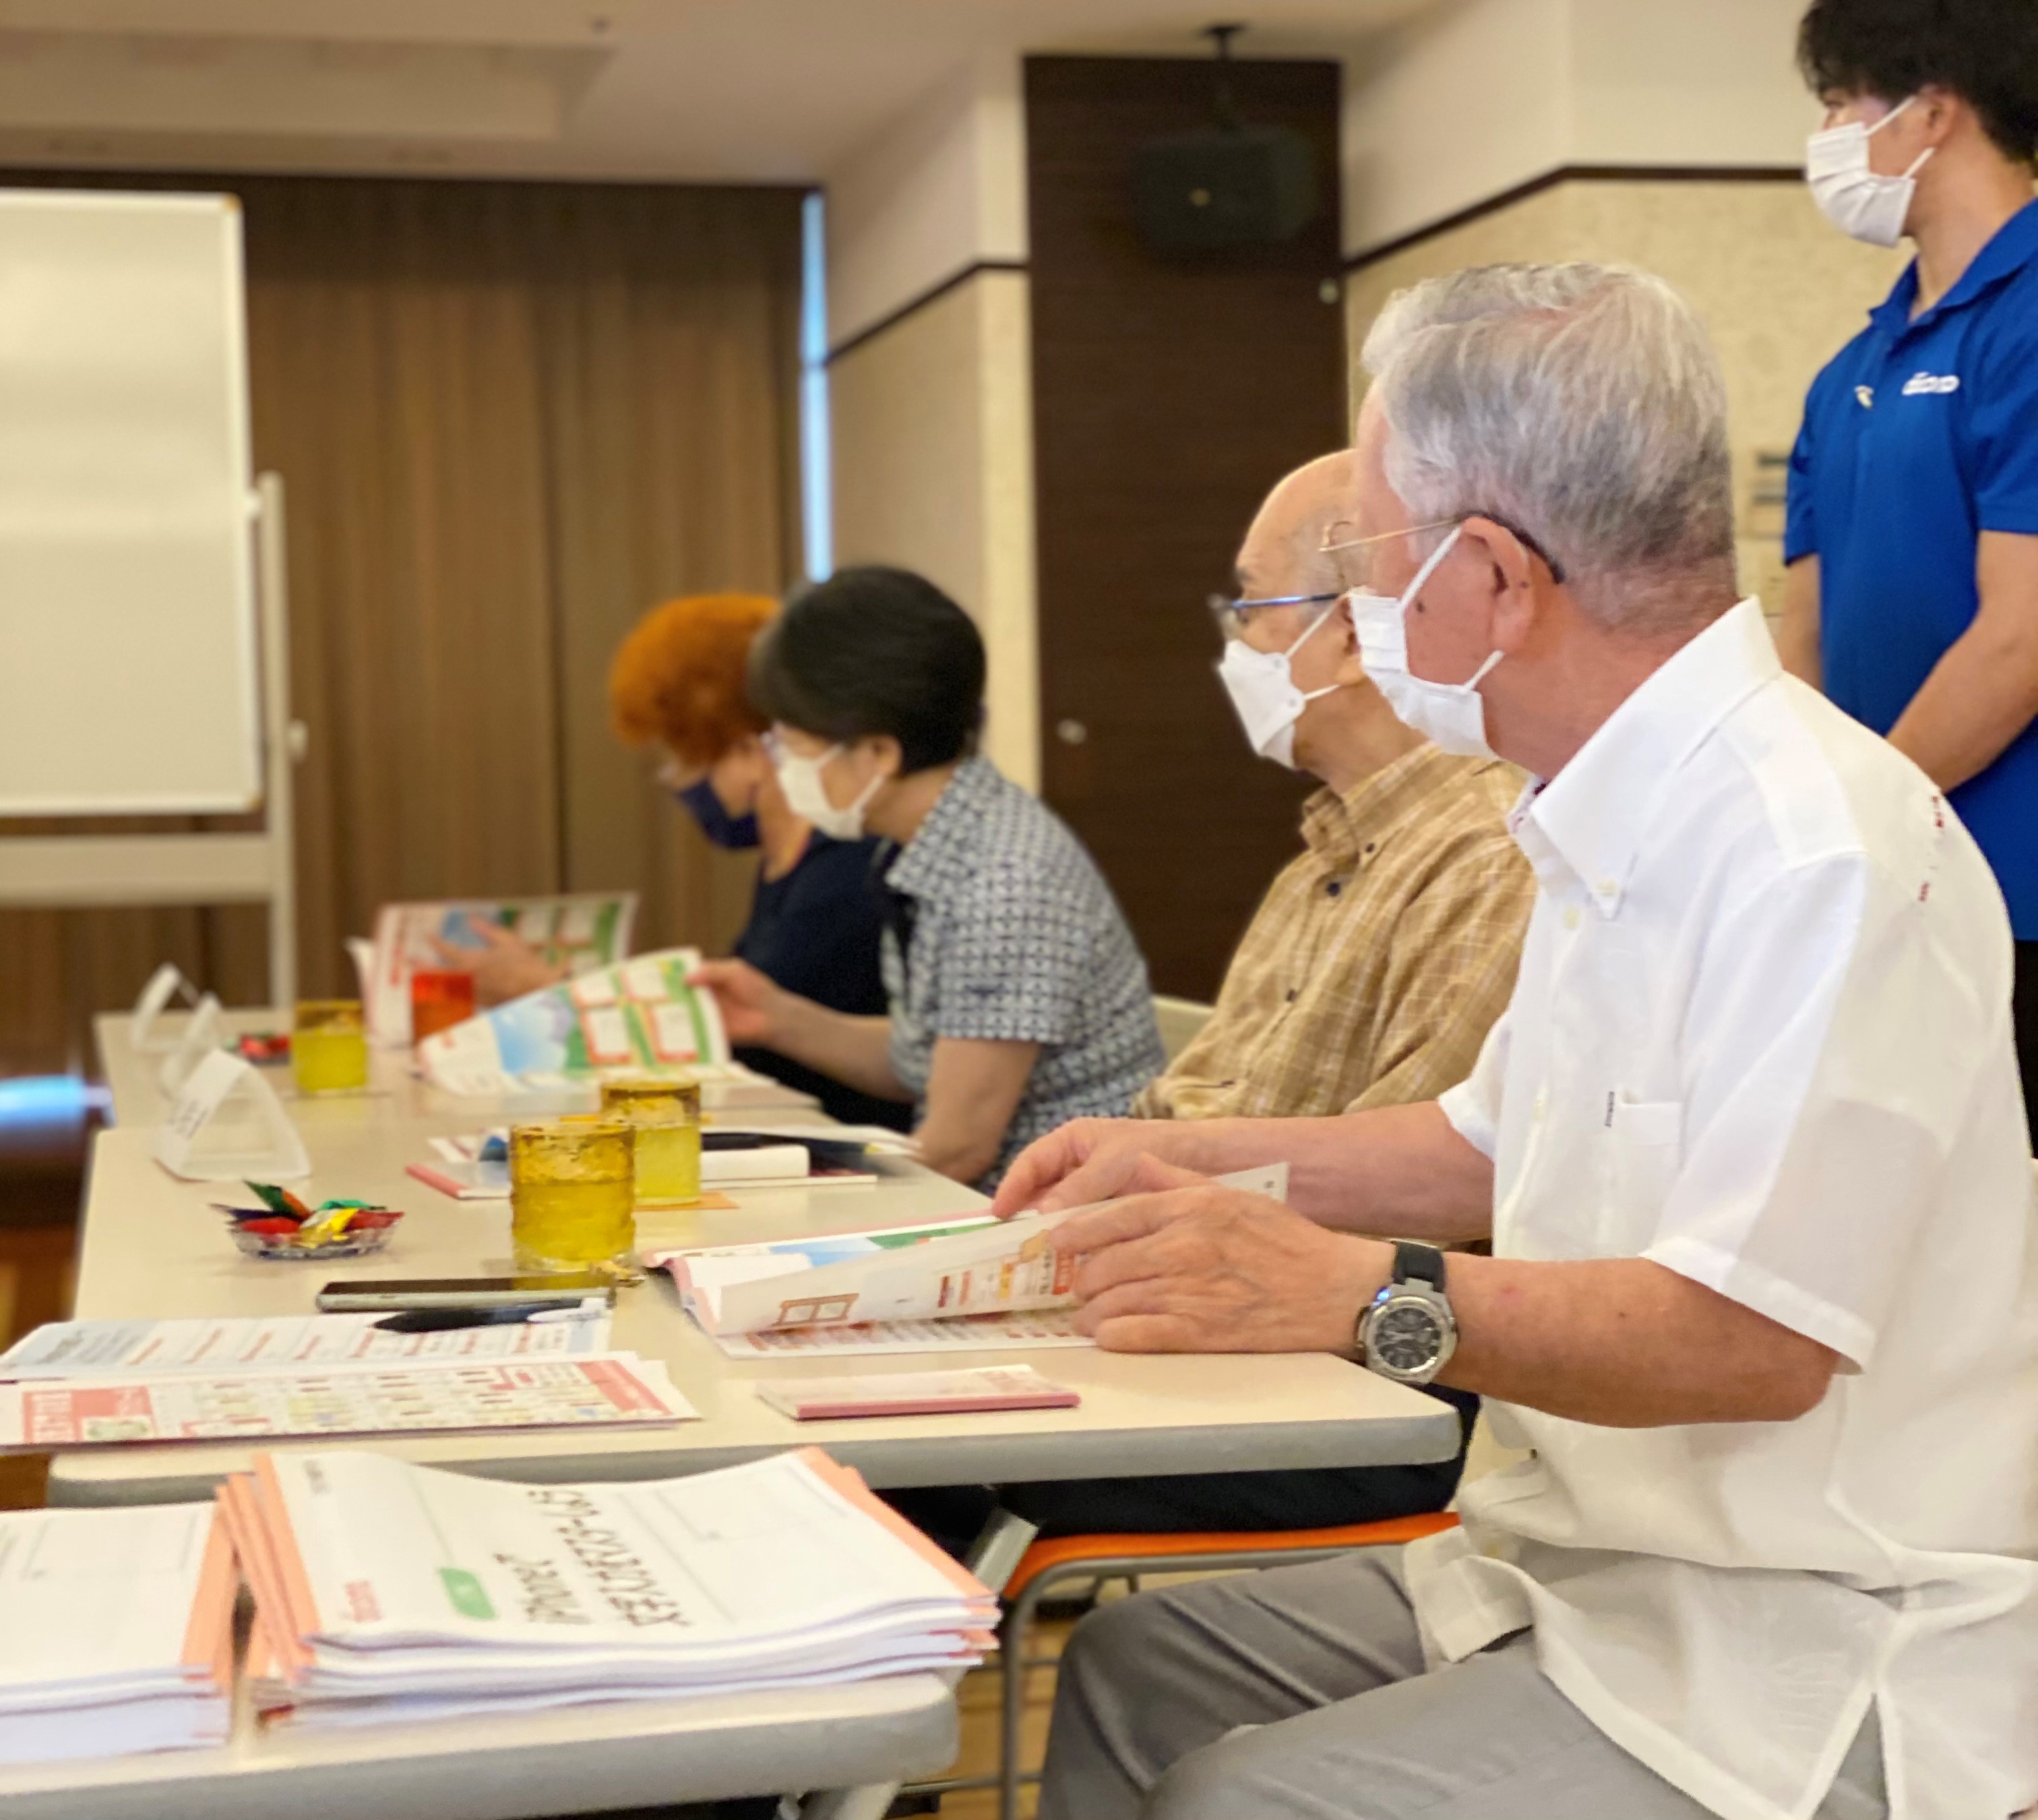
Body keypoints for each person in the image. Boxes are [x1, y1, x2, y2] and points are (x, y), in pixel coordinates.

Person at [990, 264, 2037, 1820]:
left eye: (1372, 560)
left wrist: (1358, 1294)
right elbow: (1485, 1139)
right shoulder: (1604, 805)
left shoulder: (1814, 847)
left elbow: (1752, 1341)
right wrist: (1181, 1156)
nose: (1362, 610)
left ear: (1490, 575)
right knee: (1149, 1672)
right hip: (1576, 1565)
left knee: (1246, 1794)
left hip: (1806, 1636)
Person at [896, 454, 1535, 1547]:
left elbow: (1405, 1199)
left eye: (1250, 608)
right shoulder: (1320, 858)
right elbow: (1179, 1115)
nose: (1233, 645)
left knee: (909, 1457)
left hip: (1360, 1374)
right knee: (879, 1404)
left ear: (1345, 632)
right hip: (1207, 1308)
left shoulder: (1484, 856)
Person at [1781, 0, 2038, 1146]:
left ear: (1931, 112)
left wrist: (1861, 822)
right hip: (1882, 887)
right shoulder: (1845, 370)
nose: (1827, 134)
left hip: (2010, 889)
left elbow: (2019, 637)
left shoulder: (2026, 320)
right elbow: (1801, 637)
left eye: (1840, 104)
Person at [691, 567, 1165, 1188]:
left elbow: (957, 1148)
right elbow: (928, 1059)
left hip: (1051, 1219)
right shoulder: (929, 844)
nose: (781, 762)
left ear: (878, 755)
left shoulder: (1003, 879)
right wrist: (776, 1017)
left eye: (794, 740)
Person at [433, 593, 907, 1130]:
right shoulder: (782, 864)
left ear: (749, 749)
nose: (675, 781)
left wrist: (548, 997)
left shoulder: (846, 869)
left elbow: (732, 1041)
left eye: (679, 758)